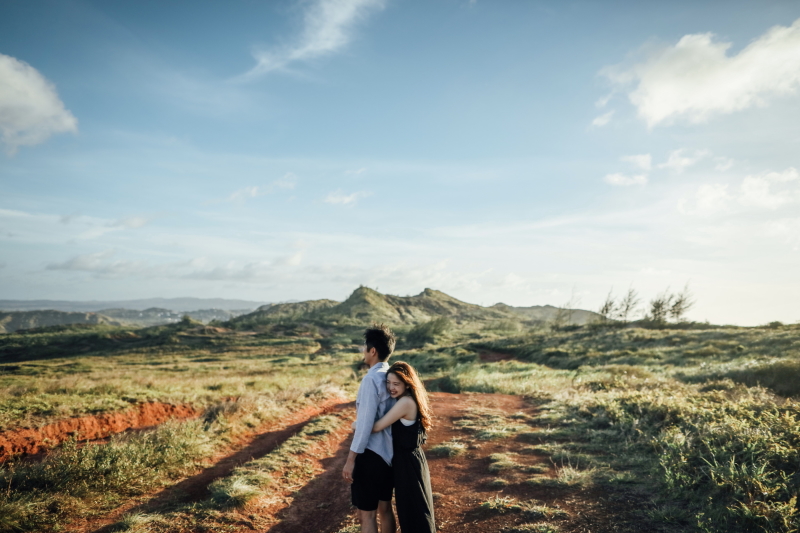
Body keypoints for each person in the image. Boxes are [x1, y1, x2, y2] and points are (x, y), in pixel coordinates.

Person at [342, 324, 397, 533]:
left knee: (367, 515)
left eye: (364, 348)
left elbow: (364, 426)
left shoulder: (370, 379)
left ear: (372, 351)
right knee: (385, 509)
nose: (363, 352)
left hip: (371, 455)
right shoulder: (393, 376)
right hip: (389, 456)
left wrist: (350, 460)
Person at [372, 361, 436, 533]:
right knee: (413, 509)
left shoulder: (405, 403)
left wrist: (357, 425)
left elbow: (377, 426)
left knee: (414, 511)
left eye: (396, 384)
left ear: (407, 383)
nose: (391, 387)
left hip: (408, 463)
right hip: (409, 461)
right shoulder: (406, 399)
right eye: (388, 382)